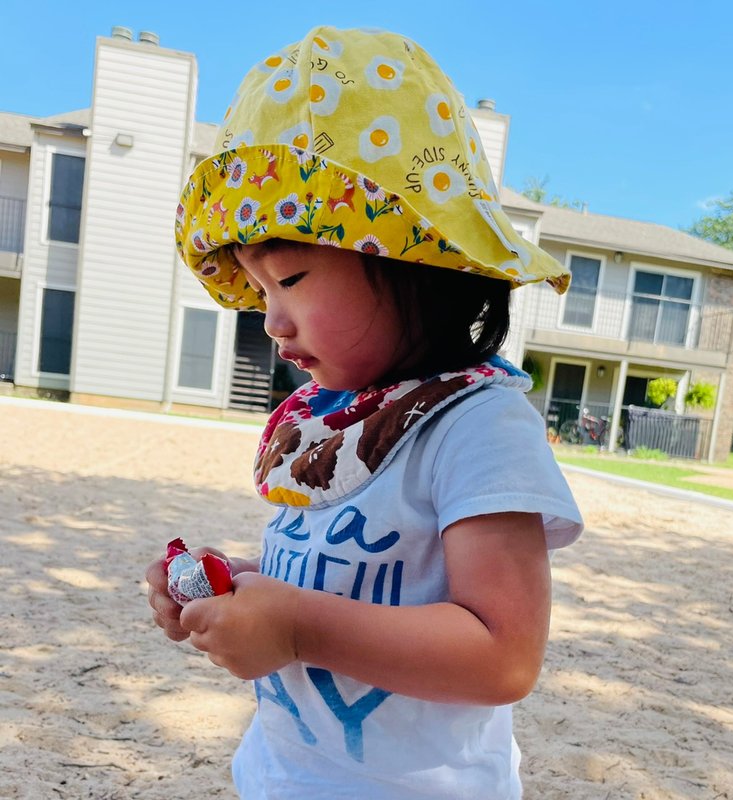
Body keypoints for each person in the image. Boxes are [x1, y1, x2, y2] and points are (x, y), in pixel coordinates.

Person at [147, 25, 583, 799]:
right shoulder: (330, 423)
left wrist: (298, 625)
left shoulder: (477, 424)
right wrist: (245, 590)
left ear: (411, 258)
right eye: (260, 290)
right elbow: (344, 585)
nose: (271, 320)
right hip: (280, 776)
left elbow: (504, 655)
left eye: (294, 277)